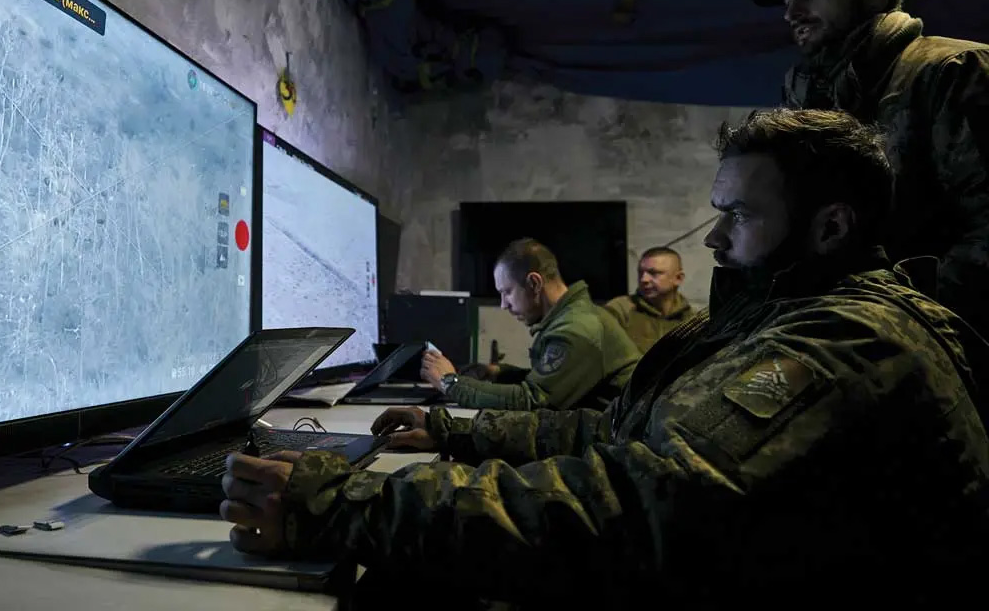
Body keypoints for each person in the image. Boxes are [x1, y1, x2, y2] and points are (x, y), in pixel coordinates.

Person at [218, 109, 989, 606]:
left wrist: (345, 502)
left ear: (830, 228)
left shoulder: (850, 345)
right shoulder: (791, 313)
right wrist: (462, 433)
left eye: (740, 216)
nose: (714, 241)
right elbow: (623, 429)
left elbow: (636, 502)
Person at [750, 0, 989, 340]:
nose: (793, 13)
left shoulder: (953, 70)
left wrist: (903, 320)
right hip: (847, 333)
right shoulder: (810, 93)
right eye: (788, 0)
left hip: (941, 342)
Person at [419, 238, 640, 411]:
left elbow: (533, 401)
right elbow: (552, 382)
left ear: (534, 283)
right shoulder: (572, 317)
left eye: (507, 292)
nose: (504, 305)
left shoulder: (576, 329)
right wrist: (498, 373)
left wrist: (450, 383)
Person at [603, 246, 694, 351]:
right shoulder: (620, 310)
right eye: (641, 273)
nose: (644, 279)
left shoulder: (691, 318)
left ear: (678, 278)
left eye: (654, 273)